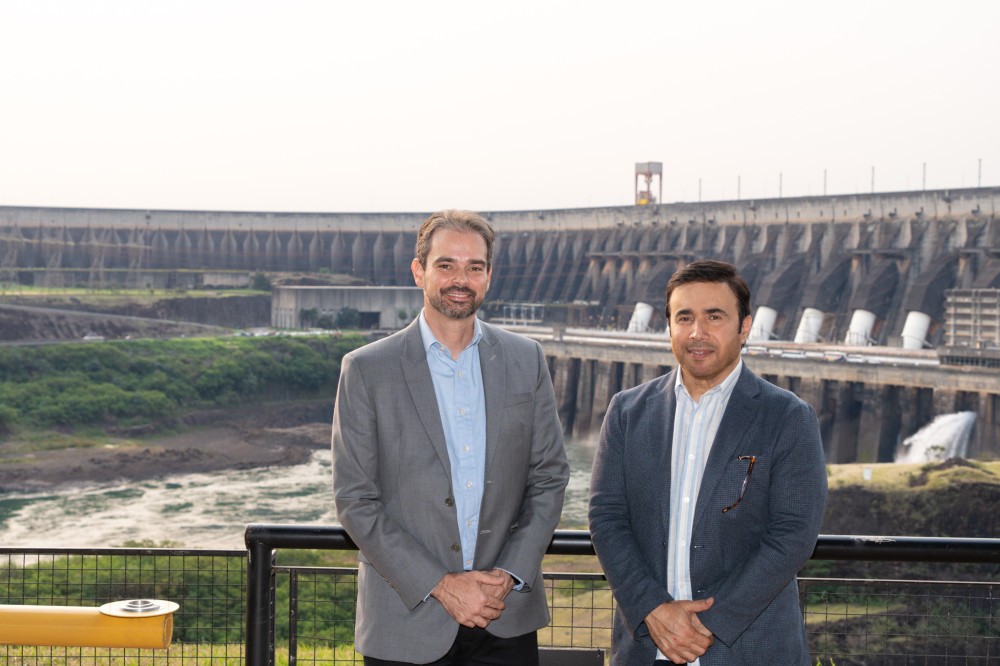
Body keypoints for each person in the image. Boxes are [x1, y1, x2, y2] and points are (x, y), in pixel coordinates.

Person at [332, 209, 570, 665]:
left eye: (474, 267)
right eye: (446, 265)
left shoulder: (526, 360)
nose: (460, 278)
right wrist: (442, 585)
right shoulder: (366, 369)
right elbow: (355, 500)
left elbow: (550, 478)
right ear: (419, 270)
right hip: (406, 621)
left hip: (505, 615)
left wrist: (508, 574)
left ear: (488, 276)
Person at [588, 259, 827, 665]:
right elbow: (607, 517)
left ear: (744, 327)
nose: (697, 333)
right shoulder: (628, 412)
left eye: (714, 317)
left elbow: (793, 533)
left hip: (748, 648)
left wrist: (711, 624)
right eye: (684, 317)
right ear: (669, 327)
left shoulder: (787, 416)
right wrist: (652, 609)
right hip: (649, 647)